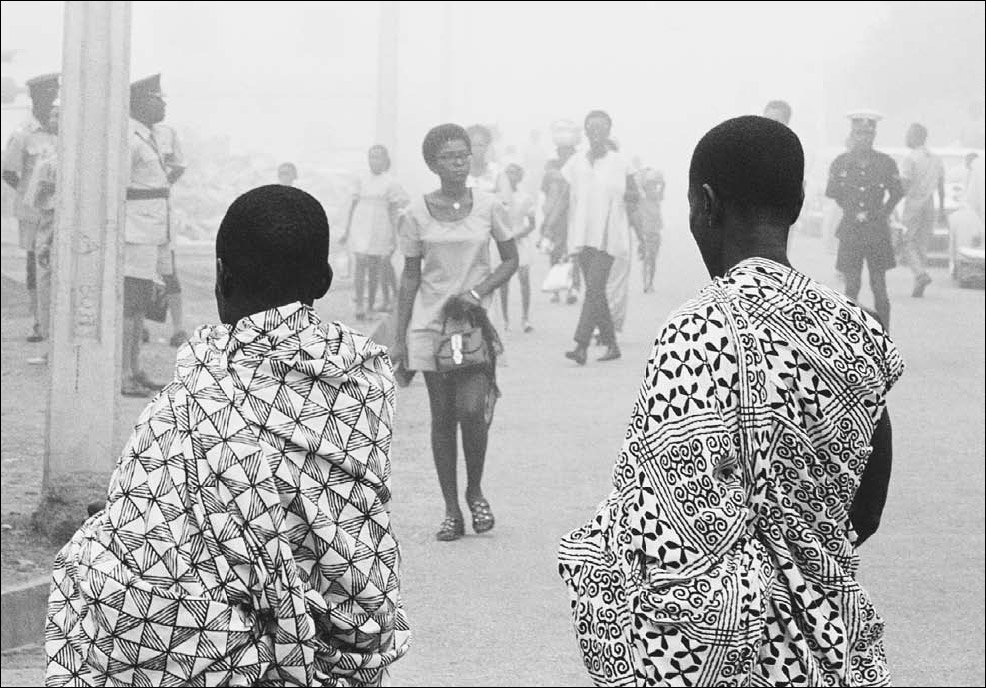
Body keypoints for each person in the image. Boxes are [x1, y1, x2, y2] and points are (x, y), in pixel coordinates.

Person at [558, 115, 903, 687]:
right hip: (834, 650)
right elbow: (865, 510)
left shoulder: (695, 332)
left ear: (705, 205)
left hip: (729, 663)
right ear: (795, 204)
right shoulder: (859, 334)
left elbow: (661, 536)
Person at [45, 184, 410, 686]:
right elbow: (341, 530)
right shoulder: (362, 383)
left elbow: (134, 543)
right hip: (330, 657)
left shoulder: (190, 395)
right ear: (324, 280)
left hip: (202, 660)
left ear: (221, 277)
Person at [394, 123, 518, 541]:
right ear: (432, 163)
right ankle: (451, 509)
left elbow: (510, 260)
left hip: (474, 325)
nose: (458, 162)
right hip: (429, 326)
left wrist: (478, 291)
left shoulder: (488, 206)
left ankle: (475, 490)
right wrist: (400, 338)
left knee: (472, 410)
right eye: (448, 156)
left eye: (463, 154)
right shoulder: (413, 214)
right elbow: (410, 277)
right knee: (443, 416)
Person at [562, 110, 641, 365]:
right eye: (591, 128)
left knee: (594, 288)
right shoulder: (575, 163)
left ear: (609, 131)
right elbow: (566, 198)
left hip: (609, 236)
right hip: (583, 234)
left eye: (601, 128)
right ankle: (611, 344)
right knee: (596, 293)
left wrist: (624, 199)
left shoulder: (621, 163)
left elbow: (634, 196)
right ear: (585, 132)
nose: (596, 133)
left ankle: (581, 345)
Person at [826, 110, 904, 330]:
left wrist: (884, 212)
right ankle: (851, 338)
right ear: (852, 134)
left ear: (874, 136)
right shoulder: (840, 163)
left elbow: (897, 192)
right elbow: (833, 192)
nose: (864, 138)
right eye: (859, 133)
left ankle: (885, 336)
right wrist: (850, 209)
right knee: (851, 287)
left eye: (868, 134)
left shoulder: (885, 162)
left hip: (876, 232)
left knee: (879, 286)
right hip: (851, 231)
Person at [121, 74, 172, 397]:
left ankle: (134, 368)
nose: (163, 103)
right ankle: (123, 374)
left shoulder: (147, 135)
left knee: (140, 305)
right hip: (134, 231)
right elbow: (119, 187)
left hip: (149, 230)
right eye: (156, 97)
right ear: (140, 102)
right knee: (130, 304)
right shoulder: (129, 137)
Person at [2, 72, 59, 343]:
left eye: (55, 94)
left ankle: (56, 320)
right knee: (36, 264)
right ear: (35, 98)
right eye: (48, 95)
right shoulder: (23, 134)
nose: (53, 100)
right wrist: (31, 194)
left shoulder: (61, 128)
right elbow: (9, 171)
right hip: (33, 212)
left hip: (59, 211)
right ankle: (39, 321)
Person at [342, 145, 409, 320]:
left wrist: (394, 235)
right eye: (371, 157)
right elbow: (353, 204)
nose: (374, 161)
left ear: (385, 160)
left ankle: (370, 305)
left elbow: (394, 210)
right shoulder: (361, 179)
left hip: (380, 224)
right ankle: (359, 304)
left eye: (378, 157)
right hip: (361, 222)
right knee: (360, 262)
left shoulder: (390, 182)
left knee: (374, 266)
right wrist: (347, 229)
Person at [22, 98, 60, 365]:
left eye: (60, 115)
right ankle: (50, 345)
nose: (55, 120)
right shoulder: (47, 155)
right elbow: (34, 196)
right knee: (46, 286)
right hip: (49, 224)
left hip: (64, 227)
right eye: (53, 115)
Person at [153, 121, 189, 346]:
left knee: (169, 271)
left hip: (161, 209)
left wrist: (162, 184)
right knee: (134, 274)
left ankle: (178, 328)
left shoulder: (167, 132)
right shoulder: (126, 130)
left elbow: (179, 165)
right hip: (133, 210)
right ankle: (142, 327)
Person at [900, 122, 946, 297]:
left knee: (906, 241)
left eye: (908, 134)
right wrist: (941, 209)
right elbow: (941, 185)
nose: (906, 137)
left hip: (914, 203)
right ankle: (918, 282)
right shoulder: (936, 159)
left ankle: (919, 274)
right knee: (922, 245)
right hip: (930, 204)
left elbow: (905, 184)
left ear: (916, 137)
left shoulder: (910, 158)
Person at [540, 119, 581, 305]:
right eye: (562, 151)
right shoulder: (551, 167)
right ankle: (556, 289)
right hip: (556, 214)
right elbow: (545, 192)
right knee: (555, 252)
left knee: (575, 252)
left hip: (575, 214)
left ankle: (573, 287)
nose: (565, 154)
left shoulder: (581, 164)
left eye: (568, 151)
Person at [503, 162, 536, 332]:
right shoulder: (499, 198)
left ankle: (525, 319)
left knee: (524, 279)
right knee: (503, 282)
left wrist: (518, 235)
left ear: (520, 176)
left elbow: (532, 224)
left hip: (520, 240)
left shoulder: (526, 197)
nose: (511, 176)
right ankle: (505, 319)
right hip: (503, 241)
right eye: (508, 172)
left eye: (514, 173)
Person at [635, 167, 664, 293]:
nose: (653, 189)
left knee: (652, 259)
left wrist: (662, 183)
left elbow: (662, 188)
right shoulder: (642, 200)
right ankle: (646, 283)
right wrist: (643, 171)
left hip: (655, 233)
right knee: (647, 258)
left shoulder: (657, 198)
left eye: (654, 187)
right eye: (650, 187)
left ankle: (650, 282)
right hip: (645, 234)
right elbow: (638, 185)